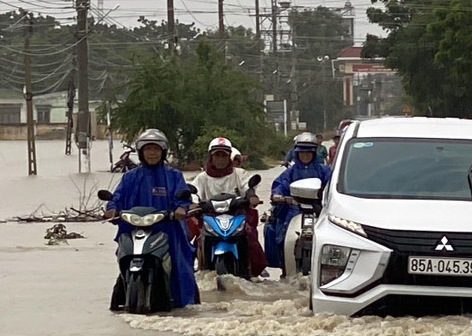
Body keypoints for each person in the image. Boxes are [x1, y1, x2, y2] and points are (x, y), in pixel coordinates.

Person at [104, 129, 197, 309]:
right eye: (148, 149)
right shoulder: (130, 177)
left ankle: (181, 300)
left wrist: (180, 208)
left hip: (167, 228)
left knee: (180, 263)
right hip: (134, 228)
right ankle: (122, 292)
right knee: (124, 256)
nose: (152, 153)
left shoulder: (173, 176)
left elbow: (183, 197)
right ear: (141, 152)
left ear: (163, 151)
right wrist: (112, 208)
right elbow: (117, 197)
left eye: (156, 149)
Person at [190, 137, 267, 278]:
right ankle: (199, 269)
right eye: (217, 155)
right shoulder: (202, 178)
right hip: (211, 219)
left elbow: (247, 187)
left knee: (251, 241)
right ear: (211, 157)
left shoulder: (239, 173)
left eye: (224, 155)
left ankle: (254, 271)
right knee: (197, 243)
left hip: (236, 217)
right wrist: (193, 203)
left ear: (229, 157)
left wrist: (251, 197)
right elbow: (194, 192)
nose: (220, 159)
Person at [264, 132, 332, 273]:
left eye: (308, 152)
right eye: (302, 152)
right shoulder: (289, 172)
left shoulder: (325, 171)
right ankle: (285, 266)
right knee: (282, 234)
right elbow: (280, 185)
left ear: (314, 153)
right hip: (294, 209)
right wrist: (277, 195)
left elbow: (332, 188)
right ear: (296, 153)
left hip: (319, 210)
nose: (305, 155)